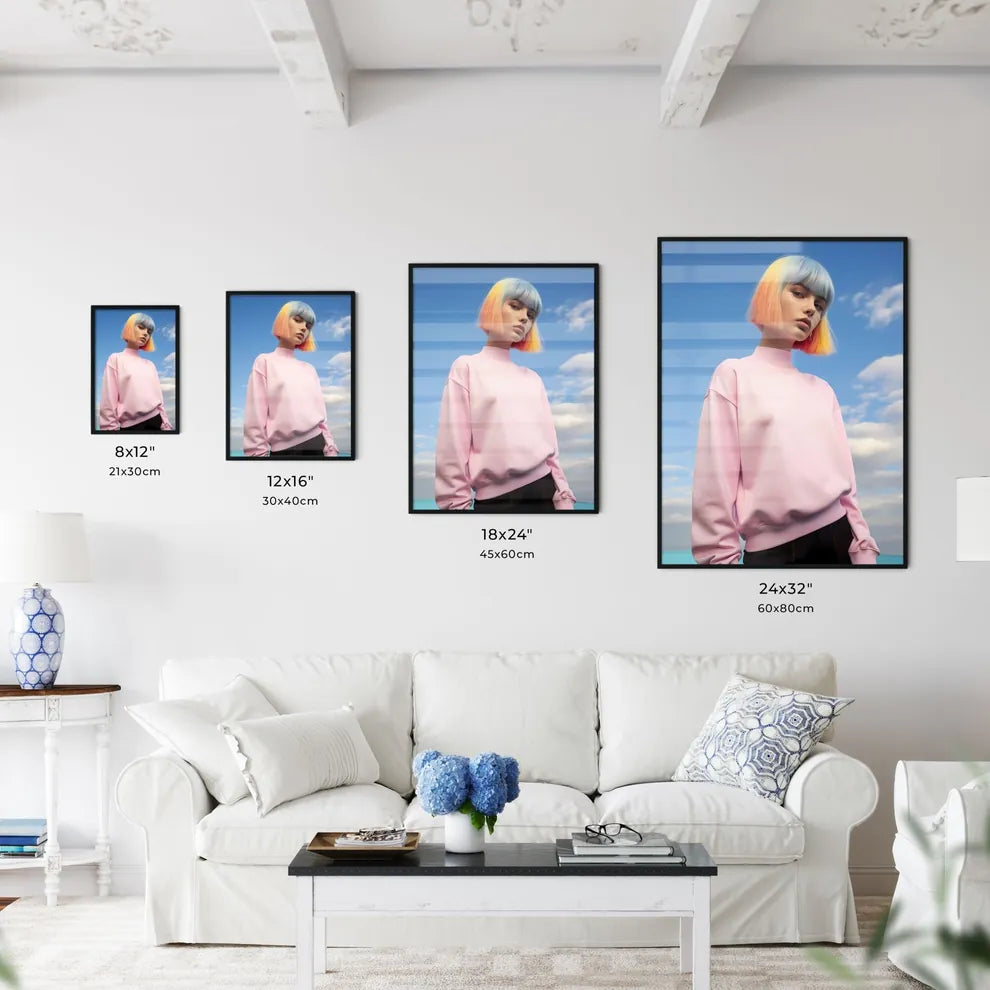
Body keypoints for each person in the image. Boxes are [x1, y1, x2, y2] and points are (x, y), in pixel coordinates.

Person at [691, 255, 879, 566]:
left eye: (819, 305)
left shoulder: (823, 390)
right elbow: (714, 482)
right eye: (799, 293)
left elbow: (847, 485)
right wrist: (720, 564)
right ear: (769, 293)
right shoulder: (733, 374)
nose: (811, 309)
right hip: (774, 553)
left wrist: (863, 549)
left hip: (841, 537)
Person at [434, 277, 575, 511]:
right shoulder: (466, 367)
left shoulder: (533, 379)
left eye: (531, 315)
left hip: (547, 490)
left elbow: (551, 449)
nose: (524, 318)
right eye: (515, 306)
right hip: (495, 502)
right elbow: (452, 447)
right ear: (493, 306)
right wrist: (455, 509)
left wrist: (564, 499)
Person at [242, 301, 338, 458]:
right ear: (283, 320)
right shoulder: (264, 362)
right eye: (298, 320)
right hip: (284, 452)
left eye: (308, 326)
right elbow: (255, 417)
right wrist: (257, 457)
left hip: (319, 444)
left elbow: (322, 417)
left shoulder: (309, 369)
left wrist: (331, 449)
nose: (304, 328)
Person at [98, 312, 173, 432]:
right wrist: (110, 431)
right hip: (130, 427)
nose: (146, 333)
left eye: (149, 331)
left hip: (157, 422)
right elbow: (108, 401)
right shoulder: (115, 359)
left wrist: (166, 425)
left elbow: (160, 401)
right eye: (141, 327)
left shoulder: (150, 365)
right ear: (129, 328)